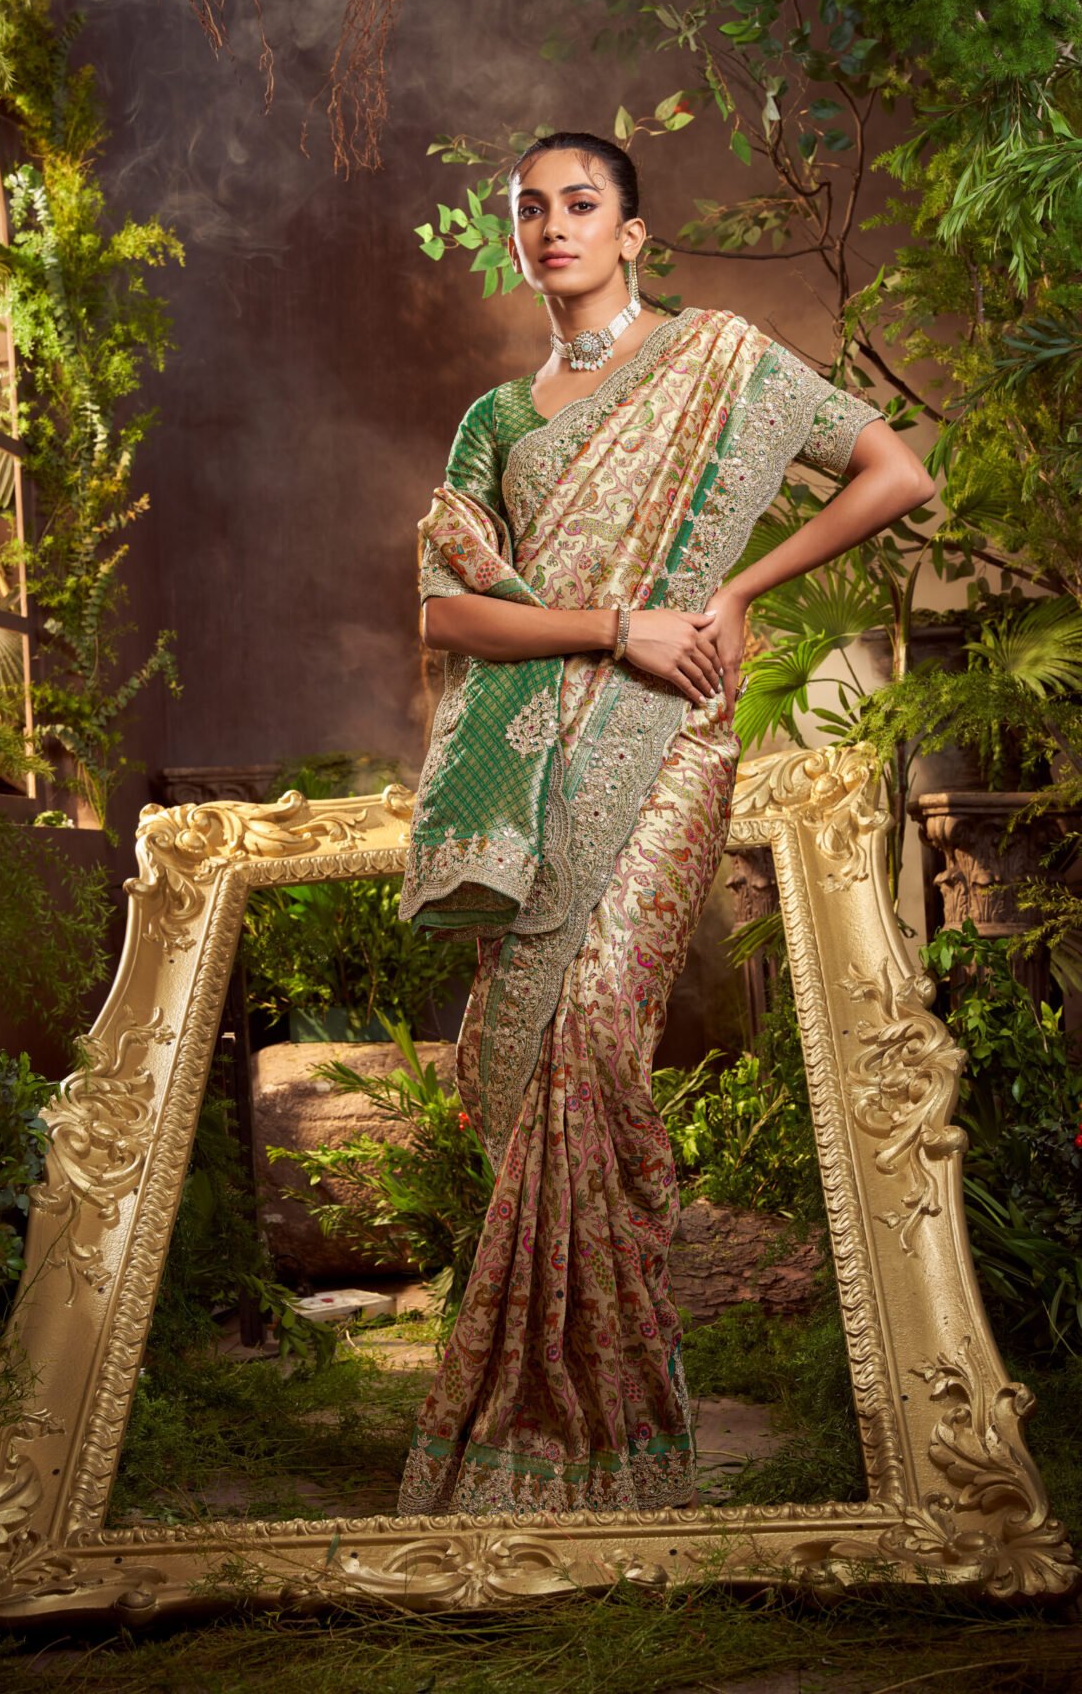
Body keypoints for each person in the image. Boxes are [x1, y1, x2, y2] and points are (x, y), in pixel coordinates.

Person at [395, 130, 933, 1518]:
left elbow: (892, 475)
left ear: (633, 232)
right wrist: (616, 627)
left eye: (582, 204)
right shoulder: (498, 425)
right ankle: (546, 1424)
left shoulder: (724, 364)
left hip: (673, 744)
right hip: (541, 760)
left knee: (601, 1047)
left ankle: (616, 1418)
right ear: (518, 240)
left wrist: (739, 593)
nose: (553, 225)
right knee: (549, 1053)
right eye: (532, 210)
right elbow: (453, 612)